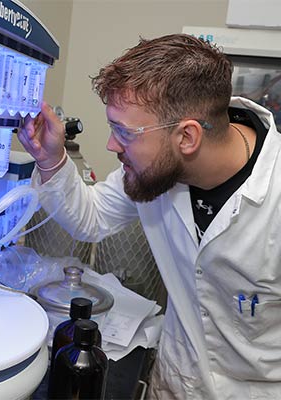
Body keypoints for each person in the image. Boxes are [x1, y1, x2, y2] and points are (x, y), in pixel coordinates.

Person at [18, 33, 281, 399]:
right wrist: (50, 159)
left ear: (187, 137)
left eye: (124, 132)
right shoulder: (158, 174)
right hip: (172, 384)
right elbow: (90, 218)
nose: (112, 145)